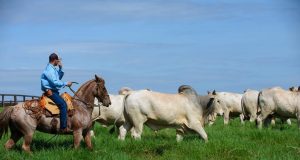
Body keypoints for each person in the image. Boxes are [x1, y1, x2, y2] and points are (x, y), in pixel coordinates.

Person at [41, 53, 72, 133]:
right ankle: (63, 128)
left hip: (54, 91)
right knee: (63, 105)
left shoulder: (52, 68)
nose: (59, 62)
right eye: (58, 60)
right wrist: (65, 83)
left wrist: (60, 68)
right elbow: (55, 82)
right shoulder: (50, 69)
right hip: (51, 92)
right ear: (55, 60)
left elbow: (57, 78)